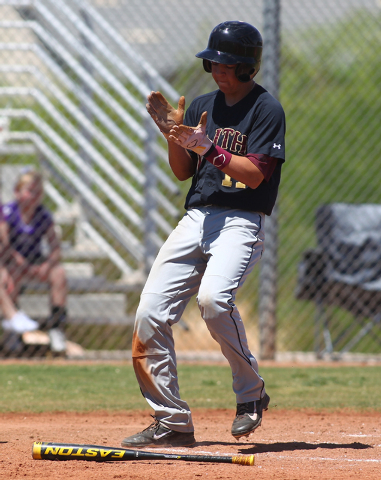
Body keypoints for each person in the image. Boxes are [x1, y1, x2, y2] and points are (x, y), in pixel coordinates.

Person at [121, 20, 286, 448]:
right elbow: (182, 172)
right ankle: (171, 421)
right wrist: (173, 134)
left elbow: (254, 176)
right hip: (196, 217)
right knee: (149, 314)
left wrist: (208, 147)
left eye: (226, 63)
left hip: (240, 221)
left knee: (214, 302)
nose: (217, 69)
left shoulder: (266, 110)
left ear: (248, 66)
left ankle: (251, 395)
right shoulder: (200, 105)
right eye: (213, 62)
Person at [0, 169, 68, 354]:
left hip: (35, 260)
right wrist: (16, 260)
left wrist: (48, 264)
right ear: (17, 192)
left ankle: (56, 328)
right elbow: (4, 244)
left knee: (59, 273)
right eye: (30, 191)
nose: (34, 196)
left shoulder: (43, 215)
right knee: (10, 277)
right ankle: (11, 331)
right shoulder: (8, 212)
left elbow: (55, 247)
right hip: (13, 260)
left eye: (38, 192)